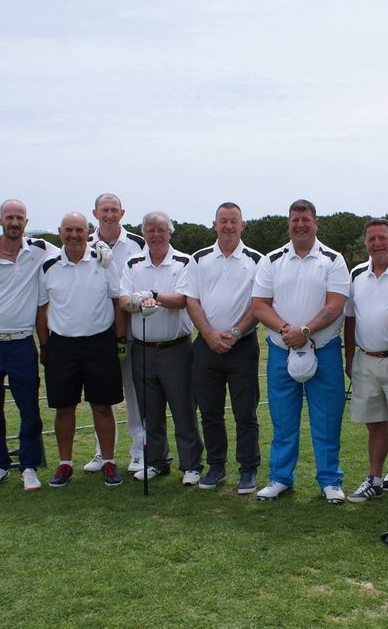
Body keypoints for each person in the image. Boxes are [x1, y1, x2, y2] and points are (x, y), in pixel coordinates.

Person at [251, 199, 349, 503]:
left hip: (324, 350)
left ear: (316, 223)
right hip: (282, 350)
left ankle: (330, 480)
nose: (300, 224)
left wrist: (304, 330)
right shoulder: (272, 259)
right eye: (295, 219)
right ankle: (280, 477)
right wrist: (287, 330)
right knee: (283, 419)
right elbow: (259, 306)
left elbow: (335, 305)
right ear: (289, 223)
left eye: (306, 219)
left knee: (327, 419)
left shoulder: (333, 259)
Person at [0, 199, 59, 491]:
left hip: (21, 344)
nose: (14, 222)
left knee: (29, 409)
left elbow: (72, 246)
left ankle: (29, 467)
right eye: (9, 217)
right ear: (0, 221)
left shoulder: (39, 249)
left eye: (19, 217)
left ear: (26, 222)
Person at [37, 212, 125, 487]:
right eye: (69, 230)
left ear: (88, 231)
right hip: (62, 345)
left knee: (102, 406)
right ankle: (65, 464)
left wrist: (120, 340)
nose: (74, 235)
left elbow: (117, 301)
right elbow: (41, 309)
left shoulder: (103, 260)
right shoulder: (48, 265)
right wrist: (44, 344)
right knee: (64, 408)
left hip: (100, 343)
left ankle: (108, 460)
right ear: (60, 232)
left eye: (79, 230)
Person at [119, 211, 204, 485]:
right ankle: (156, 461)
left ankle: (191, 465)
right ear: (143, 233)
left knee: (183, 408)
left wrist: (153, 296)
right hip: (142, 348)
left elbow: (181, 299)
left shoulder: (184, 261)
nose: (156, 235)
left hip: (175, 348)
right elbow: (123, 300)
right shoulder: (133, 263)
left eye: (161, 230)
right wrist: (137, 302)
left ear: (170, 233)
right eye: (150, 230)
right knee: (149, 410)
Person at [186, 202, 262, 494]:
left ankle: (248, 469)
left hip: (242, 346)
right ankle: (216, 467)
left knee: (245, 412)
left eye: (233, 221)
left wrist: (235, 333)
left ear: (243, 225)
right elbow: (192, 300)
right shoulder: (199, 258)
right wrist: (208, 334)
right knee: (210, 411)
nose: (228, 226)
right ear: (214, 225)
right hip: (206, 346)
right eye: (223, 221)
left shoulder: (257, 260)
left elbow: (259, 304)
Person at [343, 219, 388, 503]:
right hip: (366, 359)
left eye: (382, 237)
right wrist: (349, 357)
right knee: (374, 424)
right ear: (365, 243)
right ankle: (374, 479)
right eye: (371, 239)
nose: (377, 243)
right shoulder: (357, 273)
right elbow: (350, 318)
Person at [83, 193, 147, 475]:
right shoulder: (84, 243)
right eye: (104, 210)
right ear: (95, 213)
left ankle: (139, 452)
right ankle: (103, 452)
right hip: (97, 331)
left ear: (122, 213)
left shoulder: (138, 243)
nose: (109, 215)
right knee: (101, 396)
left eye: (114, 210)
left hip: (133, 330)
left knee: (135, 394)